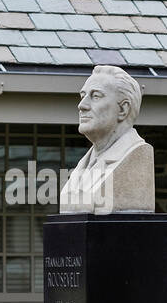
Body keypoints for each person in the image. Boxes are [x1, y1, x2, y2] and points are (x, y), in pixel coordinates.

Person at [59, 65, 155, 214]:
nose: (81, 105)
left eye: (95, 96)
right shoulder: (84, 164)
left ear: (123, 109)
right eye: (82, 96)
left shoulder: (136, 155)